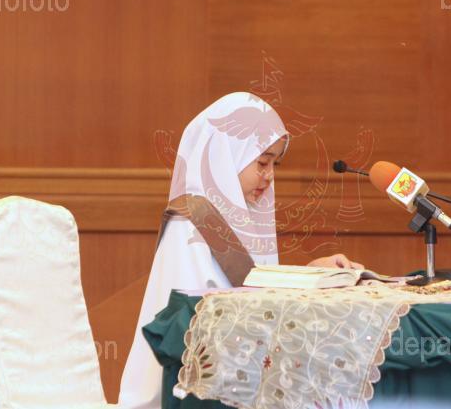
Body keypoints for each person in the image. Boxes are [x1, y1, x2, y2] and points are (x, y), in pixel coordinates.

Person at [118, 92, 363, 408]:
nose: (270, 175)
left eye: (275, 163)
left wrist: (313, 274)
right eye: (262, 162)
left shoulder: (233, 216)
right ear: (226, 155)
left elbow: (251, 292)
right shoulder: (192, 223)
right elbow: (204, 321)